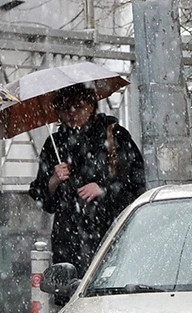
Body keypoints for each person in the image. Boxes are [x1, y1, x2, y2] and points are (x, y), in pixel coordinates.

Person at [29, 85, 146, 275]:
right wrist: (54, 180)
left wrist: (103, 189)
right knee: (70, 292)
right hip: (68, 237)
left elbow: (136, 183)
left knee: (108, 285)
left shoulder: (114, 135)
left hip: (109, 228)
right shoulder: (54, 144)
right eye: (66, 108)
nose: (72, 113)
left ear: (91, 107)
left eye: (79, 107)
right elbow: (45, 201)